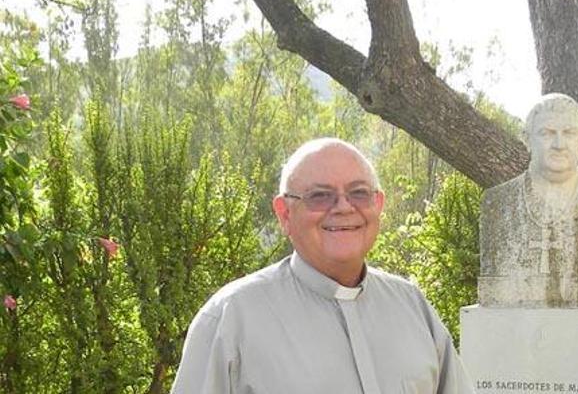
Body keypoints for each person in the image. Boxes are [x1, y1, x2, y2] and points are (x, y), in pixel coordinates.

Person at [172, 138, 473, 393]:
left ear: (378, 205)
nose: (343, 207)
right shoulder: (230, 318)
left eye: (358, 193)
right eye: (320, 196)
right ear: (285, 213)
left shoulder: (413, 307)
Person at [478, 93, 578, 308]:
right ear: (527, 138)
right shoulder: (498, 203)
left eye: (569, 133)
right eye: (547, 133)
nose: (559, 144)